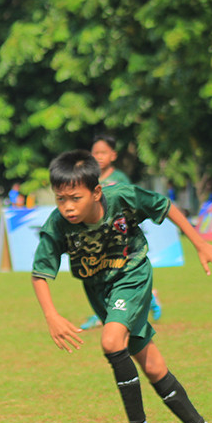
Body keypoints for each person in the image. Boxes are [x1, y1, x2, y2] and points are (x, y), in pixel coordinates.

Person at [31, 149, 212, 423]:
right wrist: (51, 316)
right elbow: (40, 272)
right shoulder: (58, 224)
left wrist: (200, 243)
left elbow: (165, 205)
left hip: (133, 276)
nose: (67, 207)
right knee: (154, 368)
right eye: (60, 199)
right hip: (100, 291)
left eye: (75, 198)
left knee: (112, 342)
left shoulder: (123, 198)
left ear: (96, 192)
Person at [81, 133, 163, 329]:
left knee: (114, 274)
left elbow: (130, 203)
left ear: (113, 155)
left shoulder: (120, 178)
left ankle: (143, 299)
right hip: (98, 237)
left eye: (103, 153)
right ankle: (107, 312)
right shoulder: (90, 178)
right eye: (95, 153)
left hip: (119, 236)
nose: (98, 156)